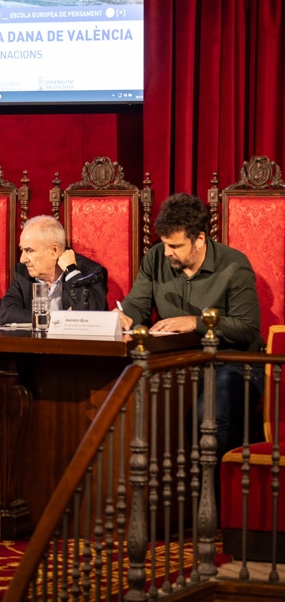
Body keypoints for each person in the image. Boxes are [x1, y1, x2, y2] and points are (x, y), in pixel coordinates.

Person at [117, 192, 263, 459]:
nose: (167, 252)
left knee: (207, 414)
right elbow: (136, 306)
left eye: (176, 246)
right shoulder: (156, 258)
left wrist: (194, 322)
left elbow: (247, 329)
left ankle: (215, 496)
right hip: (176, 361)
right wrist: (124, 316)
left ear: (199, 239)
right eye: (164, 244)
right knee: (137, 406)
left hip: (232, 363)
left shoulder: (234, 265)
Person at [0, 215, 107, 325]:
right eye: (22, 250)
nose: (22, 259)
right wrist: (56, 319)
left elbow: (92, 317)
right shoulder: (23, 272)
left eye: (29, 250)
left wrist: (72, 272)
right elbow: (6, 314)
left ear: (54, 250)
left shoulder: (91, 273)